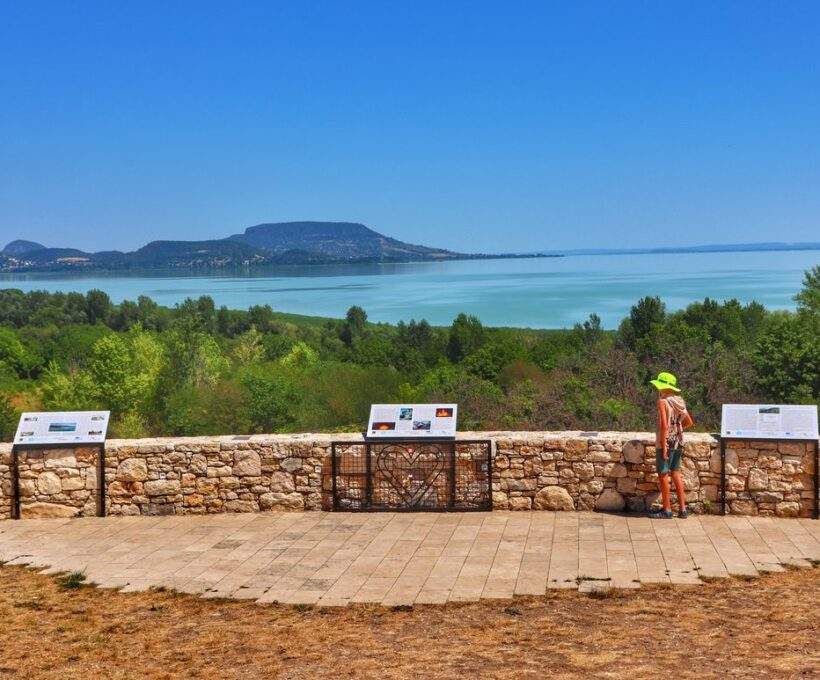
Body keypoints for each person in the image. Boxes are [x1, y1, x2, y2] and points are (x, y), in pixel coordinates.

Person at [648, 371, 694, 519]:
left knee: (663, 475)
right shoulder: (679, 401)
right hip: (678, 441)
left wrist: (664, 445)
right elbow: (689, 422)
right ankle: (683, 509)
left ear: (663, 387)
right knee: (675, 473)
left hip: (666, 442)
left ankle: (667, 510)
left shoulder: (663, 402)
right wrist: (677, 430)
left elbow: (663, 426)